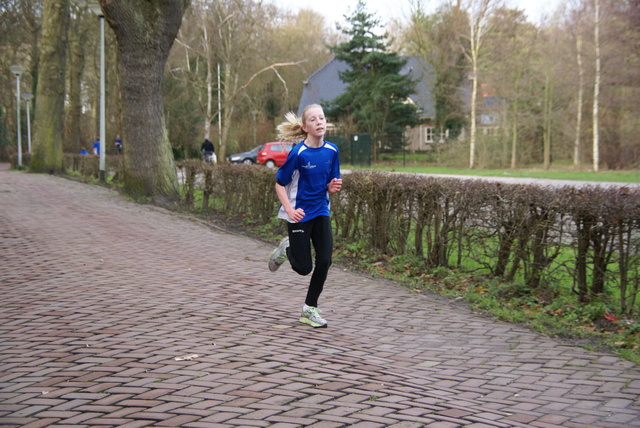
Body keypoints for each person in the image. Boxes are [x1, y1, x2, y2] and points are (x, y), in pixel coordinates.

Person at [268, 104, 342, 328]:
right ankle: (287, 249)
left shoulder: (332, 150)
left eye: (322, 118)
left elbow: (330, 182)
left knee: (325, 260)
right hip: (299, 213)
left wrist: (332, 187)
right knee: (303, 268)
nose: (319, 122)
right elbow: (280, 185)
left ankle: (310, 308)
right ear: (305, 127)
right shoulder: (298, 153)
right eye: (313, 119)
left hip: (321, 209)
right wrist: (289, 211)